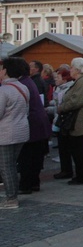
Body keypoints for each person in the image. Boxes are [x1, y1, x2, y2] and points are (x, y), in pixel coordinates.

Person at [55, 58, 83, 185]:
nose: (70, 70)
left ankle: (82, 175)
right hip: (77, 119)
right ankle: (81, 174)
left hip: (80, 120)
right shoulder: (81, 80)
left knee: (79, 149)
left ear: (78, 69)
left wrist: (61, 107)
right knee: (77, 149)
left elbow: (77, 100)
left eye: (72, 68)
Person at [17, 58, 52, 195]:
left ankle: (26, 184)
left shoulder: (25, 83)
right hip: (38, 123)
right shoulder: (30, 81)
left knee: (27, 156)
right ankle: (33, 183)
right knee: (34, 156)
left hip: (32, 124)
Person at [0, 57, 31, 209]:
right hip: (21, 130)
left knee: (7, 166)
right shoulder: (23, 87)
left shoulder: (4, 90)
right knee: (11, 165)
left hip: (6, 133)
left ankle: (11, 199)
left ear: (6, 71)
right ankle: (12, 195)